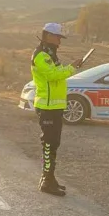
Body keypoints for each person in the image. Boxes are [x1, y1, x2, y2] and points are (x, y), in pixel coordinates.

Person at [31, 22, 83, 196]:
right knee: (48, 144)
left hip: (55, 106)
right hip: (47, 106)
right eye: (58, 37)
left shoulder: (51, 55)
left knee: (54, 144)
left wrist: (68, 68)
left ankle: (50, 178)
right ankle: (46, 181)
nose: (60, 41)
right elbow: (53, 75)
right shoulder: (41, 55)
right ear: (48, 36)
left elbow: (58, 73)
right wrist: (72, 67)